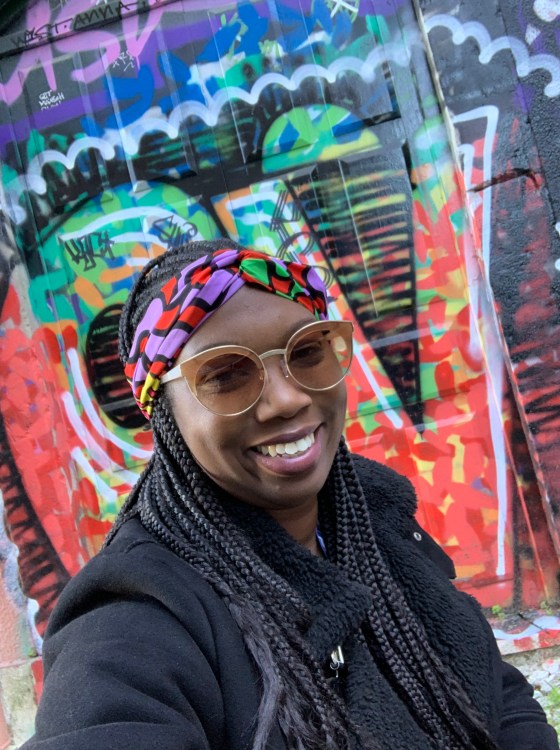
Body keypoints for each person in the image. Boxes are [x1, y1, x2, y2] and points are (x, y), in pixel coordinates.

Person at [23, 239, 558, 750]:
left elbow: (493, 691)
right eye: (225, 374)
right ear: (165, 413)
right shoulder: (137, 614)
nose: (287, 399)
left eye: (305, 351)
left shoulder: (373, 520)